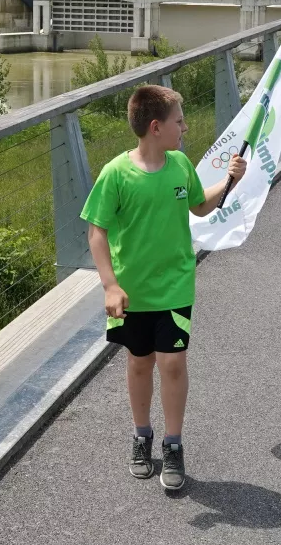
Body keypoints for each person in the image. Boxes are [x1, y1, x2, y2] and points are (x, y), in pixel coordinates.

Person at [82, 84, 246, 491]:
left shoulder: (180, 165)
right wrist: (109, 285)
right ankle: (142, 435)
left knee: (172, 362)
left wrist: (230, 182)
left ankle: (173, 444)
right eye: (179, 121)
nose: (185, 128)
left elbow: (200, 205)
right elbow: (96, 233)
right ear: (156, 127)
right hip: (132, 292)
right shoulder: (116, 174)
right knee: (139, 362)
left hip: (175, 286)